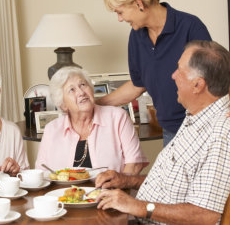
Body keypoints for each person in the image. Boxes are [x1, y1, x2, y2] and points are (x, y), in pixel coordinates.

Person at [94, 40, 230, 225]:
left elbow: (205, 215)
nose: (173, 76)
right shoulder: (196, 115)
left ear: (198, 85)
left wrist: (136, 206)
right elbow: (173, 183)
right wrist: (127, 181)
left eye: (179, 70)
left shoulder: (221, 133)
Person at [97, 0, 212, 146]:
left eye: (120, 12)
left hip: (202, 131)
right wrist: (96, 104)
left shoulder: (190, 27)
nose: (120, 19)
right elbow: (137, 85)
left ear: (138, 3)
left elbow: (217, 79)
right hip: (170, 132)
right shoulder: (137, 36)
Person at [35, 67, 148, 175]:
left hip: (111, 192)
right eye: (72, 90)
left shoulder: (118, 118)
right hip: (63, 194)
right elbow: (41, 172)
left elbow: (134, 165)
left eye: (83, 85)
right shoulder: (52, 129)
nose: (81, 92)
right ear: (63, 104)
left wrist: (118, 188)